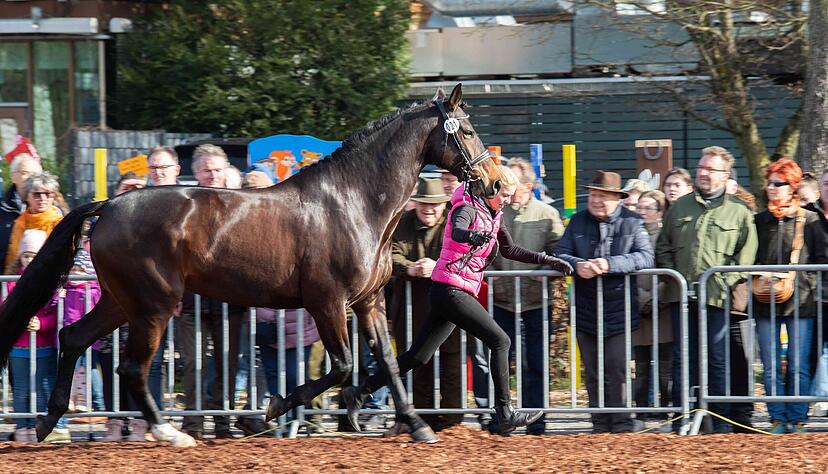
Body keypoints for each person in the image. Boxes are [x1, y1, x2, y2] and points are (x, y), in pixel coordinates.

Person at [344, 166, 573, 436]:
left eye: (511, 195)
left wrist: (548, 260)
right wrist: (472, 236)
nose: (508, 200)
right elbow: (458, 231)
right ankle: (505, 413)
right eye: (505, 195)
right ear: (492, 189)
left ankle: (359, 392)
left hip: (449, 291)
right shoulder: (467, 207)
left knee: (418, 356)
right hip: (452, 291)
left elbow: (510, 249)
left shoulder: (494, 215)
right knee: (501, 341)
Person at [656, 146, 758, 433]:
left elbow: (746, 256)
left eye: (710, 169)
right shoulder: (680, 207)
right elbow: (662, 247)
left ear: (725, 175)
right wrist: (675, 278)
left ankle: (720, 421)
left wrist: (721, 281)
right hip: (681, 298)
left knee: (717, 359)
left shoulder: (739, 212)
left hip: (717, 298)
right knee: (682, 358)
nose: (703, 173)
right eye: (701, 167)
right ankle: (681, 417)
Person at [176, 144, 267, 438]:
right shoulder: (184, 205)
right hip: (191, 300)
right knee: (194, 363)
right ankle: (193, 422)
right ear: (196, 173)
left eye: (217, 169)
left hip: (230, 300)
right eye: (206, 170)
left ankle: (223, 421)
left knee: (228, 363)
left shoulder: (238, 205)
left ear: (226, 171)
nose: (212, 175)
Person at [555, 170, 654, 433]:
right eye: (593, 195)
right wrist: (577, 265)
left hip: (620, 310)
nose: (596, 200)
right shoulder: (577, 221)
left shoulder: (633, 222)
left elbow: (645, 256)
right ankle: (599, 423)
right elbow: (560, 253)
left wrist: (609, 265)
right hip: (586, 309)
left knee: (618, 369)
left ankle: (621, 423)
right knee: (593, 371)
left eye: (603, 196)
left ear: (617, 198)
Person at [491, 159, 564, 435]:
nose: (506, 188)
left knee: (536, 362)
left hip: (536, 301)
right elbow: (485, 249)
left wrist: (546, 271)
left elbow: (560, 251)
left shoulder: (547, 214)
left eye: (512, 182)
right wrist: (491, 274)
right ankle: (500, 420)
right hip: (502, 299)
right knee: (501, 363)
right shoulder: (498, 212)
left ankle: (537, 420)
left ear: (529, 186)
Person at [753, 159, 826, 434]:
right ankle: (776, 417)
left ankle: (797, 418)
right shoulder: (759, 220)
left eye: (778, 183)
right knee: (770, 364)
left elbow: (821, 258)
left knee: (798, 364)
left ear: (793, 187)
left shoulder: (810, 220)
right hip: (765, 301)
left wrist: (806, 284)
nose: (771, 187)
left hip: (801, 302)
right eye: (769, 182)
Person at [390, 177, 462, 432]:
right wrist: (410, 268)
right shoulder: (402, 223)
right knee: (418, 363)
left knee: (452, 363)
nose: (428, 209)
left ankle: (453, 423)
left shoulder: (455, 222)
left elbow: (463, 255)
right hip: (412, 309)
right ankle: (423, 420)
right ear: (416, 203)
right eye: (423, 203)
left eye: (434, 204)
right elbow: (391, 253)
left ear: (443, 205)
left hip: (450, 307)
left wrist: (436, 267)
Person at [435, 167, 493, 428]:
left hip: (469, 292)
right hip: (450, 290)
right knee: (424, 354)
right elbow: (457, 235)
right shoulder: (450, 209)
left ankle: (486, 409)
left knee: (479, 353)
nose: (448, 183)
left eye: (452, 179)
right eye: (444, 179)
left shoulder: (477, 209)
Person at [7, 229, 66, 443]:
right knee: (21, 391)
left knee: (43, 390)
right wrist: (21, 321)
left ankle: (39, 427)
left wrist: (42, 324)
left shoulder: (51, 282)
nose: (29, 260)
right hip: (19, 347)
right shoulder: (11, 283)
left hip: (43, 346)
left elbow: (57, 314)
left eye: (33, 255)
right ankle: (22, 426)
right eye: (25, 255)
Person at [630, 190, 672, 425]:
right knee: (641, 365)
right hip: (638, 307)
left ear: (659, 212)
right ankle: (642, 409)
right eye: (639, 207)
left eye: (648, 208)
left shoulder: (664, 236)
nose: (642, 212)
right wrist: (641, 298)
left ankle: (664, 407)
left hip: (662, 309)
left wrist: (656, 297)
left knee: (664, 365)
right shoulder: (631, 235)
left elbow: (669, 270)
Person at [4, 172, 63, 274]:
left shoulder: (60, 222)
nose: (43, 199)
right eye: (37, 194)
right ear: (27, 196)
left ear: (53, 197)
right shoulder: (20, 223)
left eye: (47, 194)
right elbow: (13, 258)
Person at [0, 153, 42, 267]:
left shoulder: (52, 210)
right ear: (13, 176)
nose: (30, 178)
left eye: (35, 174)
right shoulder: (2, 210)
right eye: (25, 173)